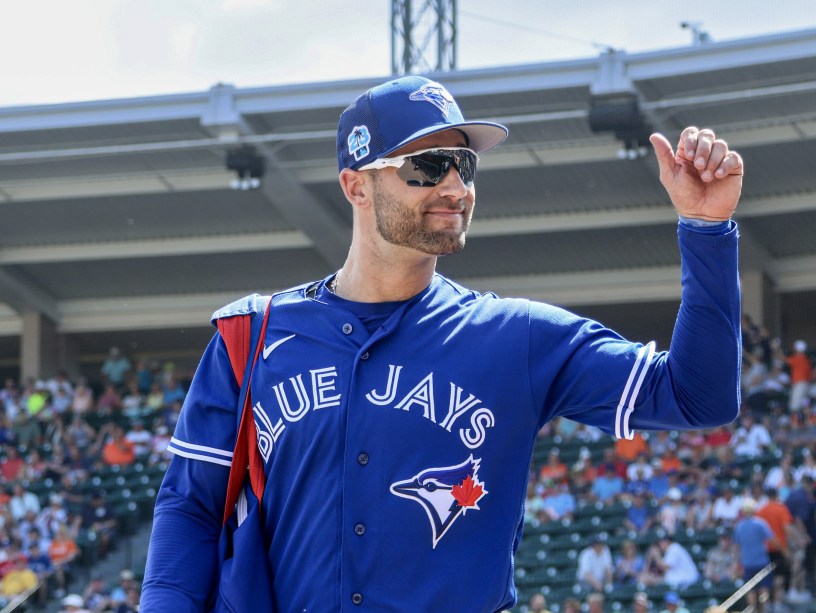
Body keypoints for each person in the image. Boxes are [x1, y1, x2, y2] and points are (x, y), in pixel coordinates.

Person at [142, 75, 744, 612]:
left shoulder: (515, 337)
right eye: (427, 166)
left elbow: (697, 397)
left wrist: (707, 229)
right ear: (356, 186)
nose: (455, 186)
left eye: (464, 165)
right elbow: (191, 508)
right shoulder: (252, 335)